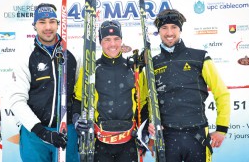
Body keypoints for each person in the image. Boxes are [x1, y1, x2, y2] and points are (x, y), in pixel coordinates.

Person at [148, 9, 231, 162]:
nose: (169, 32)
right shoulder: (152, 63)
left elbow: (222, 93)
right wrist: (150, 134)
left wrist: (222, 129)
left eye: (174, 27)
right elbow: (147, 101)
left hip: (197, 134)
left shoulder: (200, 57)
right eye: (164, 28)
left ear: (180, 29)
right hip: (167, 137)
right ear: (158, 31)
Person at [9, 3, 79, 162]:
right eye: (42, 22)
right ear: (34, 25)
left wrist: (76, 117)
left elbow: (80, 92)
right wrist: (41, 131)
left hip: (66, 131)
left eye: (52, 21)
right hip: (35, 135)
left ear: (58, 24)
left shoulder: (73, 54)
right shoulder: (25, 56)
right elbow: (16, 99)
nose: (48, 27)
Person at [72, 20, 149, 162]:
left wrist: (143, 130)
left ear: (121, 41)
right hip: (99, 144)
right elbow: (78, 100)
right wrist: (77, 119)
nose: (112, 44)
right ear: (100, 42)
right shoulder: (90, 69)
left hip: (128, 143)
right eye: (107, 39)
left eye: (116, 39)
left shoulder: (134, 69)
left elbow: (143, 103)